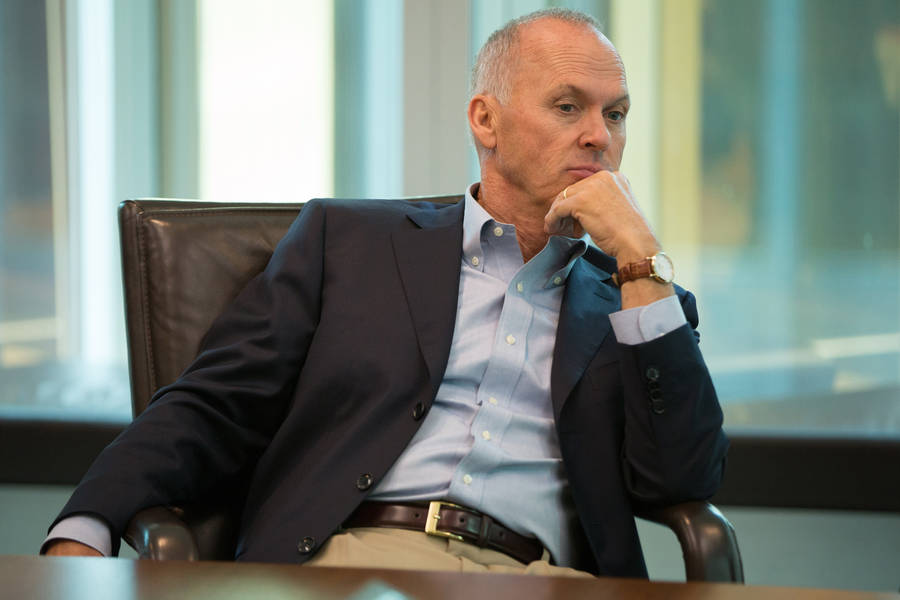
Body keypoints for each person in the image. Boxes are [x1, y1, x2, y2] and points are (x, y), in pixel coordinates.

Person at [43, 8, 728, 578]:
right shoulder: (348, 242)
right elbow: (215, 405)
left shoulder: (637, 302)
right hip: (357, 560)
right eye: (568, 106)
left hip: (543, 579)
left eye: (617, 114)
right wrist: (87, 525)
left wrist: (640, 261)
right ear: (485, 121)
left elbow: (681, 481)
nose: (599, 136)